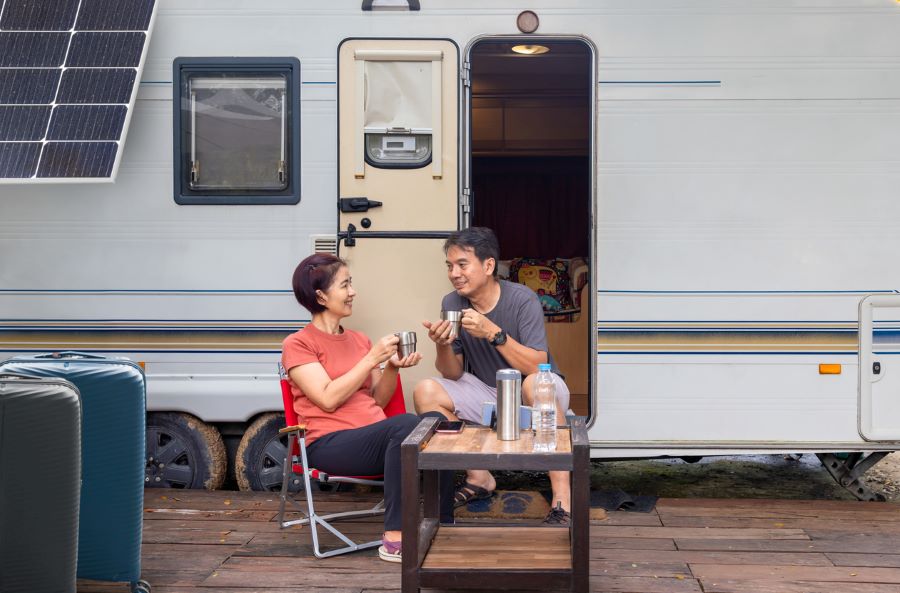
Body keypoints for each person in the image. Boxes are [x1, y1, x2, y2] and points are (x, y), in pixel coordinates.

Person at [281, 253, 450, 563]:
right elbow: (327, 398)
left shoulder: (358, 339)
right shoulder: (298, 344)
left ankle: (444, 522)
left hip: (375, 441)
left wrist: (392, 368)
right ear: (321, 295)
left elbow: (377, 401)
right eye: (345, 284)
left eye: (351, 283)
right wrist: (372, 359)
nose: (353, 291)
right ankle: (395, 537)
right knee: (405, 425)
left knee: (439, 422)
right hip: (330, 444)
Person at [413, 227, 573, 525]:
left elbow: (539, 365)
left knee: (535, 383)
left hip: (539, 390)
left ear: (488, 266)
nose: (454, 273)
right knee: (425, 390)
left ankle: (562, 499)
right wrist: (442, 344)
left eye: (462, 264)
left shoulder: (522, 299)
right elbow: (453, 372)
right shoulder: (452, 303)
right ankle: (479, 476)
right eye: (449, 266)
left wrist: (492, 333)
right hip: (489, 392)